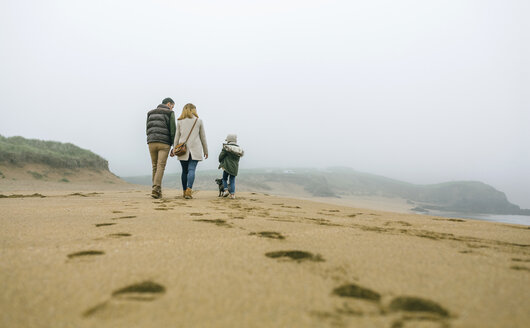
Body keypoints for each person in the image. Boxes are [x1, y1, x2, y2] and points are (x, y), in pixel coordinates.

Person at [171, 103, 208, 199]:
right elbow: (203, 137)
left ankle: (184, 191)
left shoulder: (180, 121)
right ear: (193, 110)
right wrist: (205, 150)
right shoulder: (198, 121)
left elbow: (177, 137)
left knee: (184, 171)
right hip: (195, 149)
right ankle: (189, 189)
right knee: (192, 169)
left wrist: (174, 149)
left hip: (182, 150)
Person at [146, 97, 176, 199]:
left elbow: (147, 128)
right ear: (168, 104)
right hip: (164, 143)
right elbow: (173, 131)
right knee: (160, 166)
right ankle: (156, 189)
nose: (172, 108)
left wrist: (150, 138)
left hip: (151, 142)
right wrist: (174, 145)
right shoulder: (170, 113)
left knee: (154, 166)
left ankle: (157, 190)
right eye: (172, 106)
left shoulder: (150, 113)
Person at [218, 134, 244, 199]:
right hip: (235, 167)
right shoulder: (239, 149)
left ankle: (226, 190)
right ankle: (232, 195)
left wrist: (221, 161)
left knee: (224, 179)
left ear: (228, 140)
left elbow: (220, 157)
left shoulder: (226, 147)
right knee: (232, 181)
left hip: (226, 166)